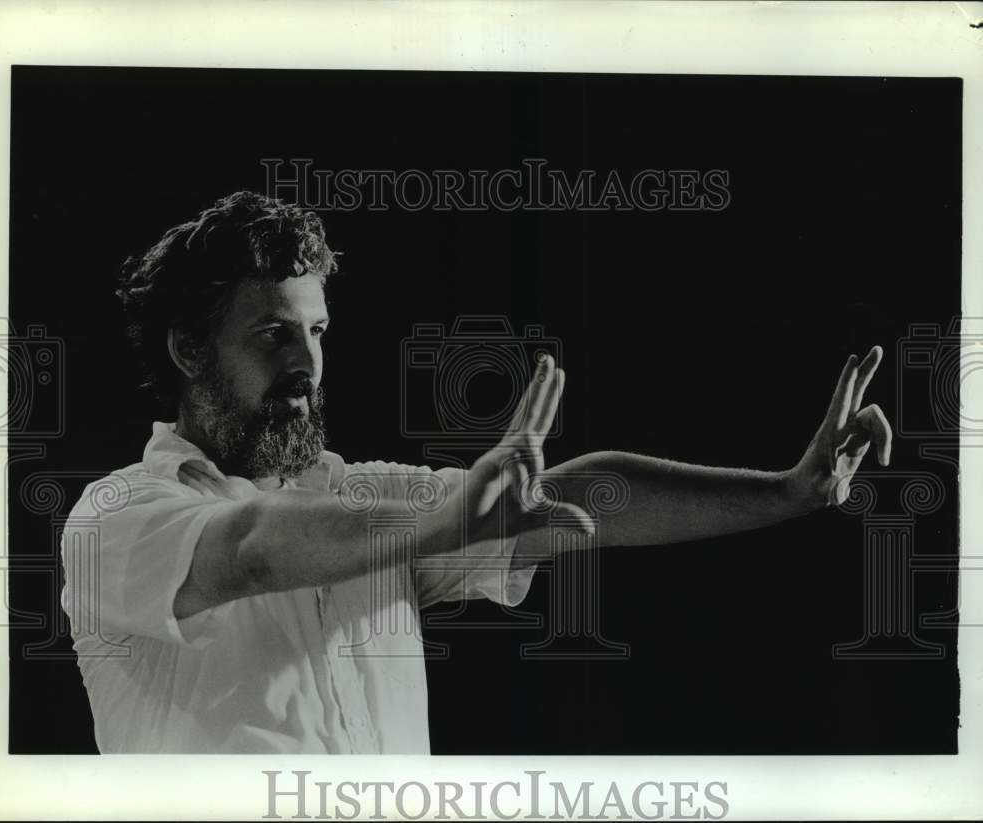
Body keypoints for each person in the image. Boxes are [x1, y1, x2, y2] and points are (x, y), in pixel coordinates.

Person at [60, 191, 893, 754]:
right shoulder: (118, 515)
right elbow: (247, 550)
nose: (308, 364)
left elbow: (574, 494)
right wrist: (441, 521)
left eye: (317, 333)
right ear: (188, 348)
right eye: (274, 335)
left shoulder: (358, 496)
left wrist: (787, 489)